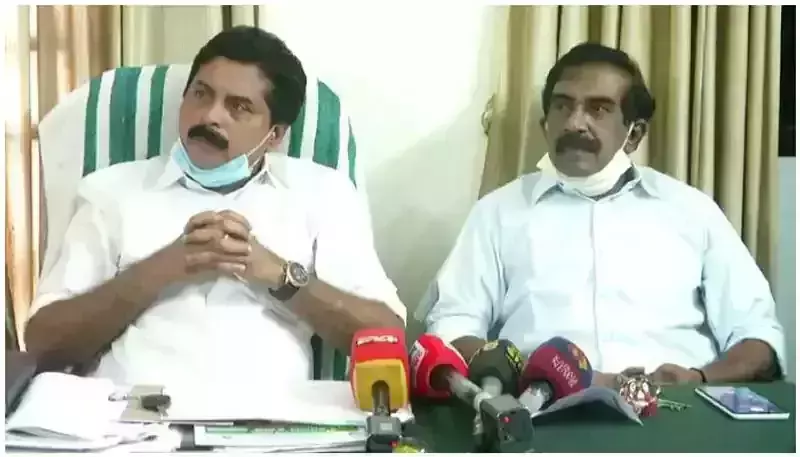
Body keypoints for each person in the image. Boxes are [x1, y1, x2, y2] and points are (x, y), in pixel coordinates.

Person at [26, 26, 405, 388]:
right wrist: (164, 267)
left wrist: (280, 276)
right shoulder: (110, 191)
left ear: (274, 135)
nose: (209, 116)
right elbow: (44, 344)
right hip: (128, 414)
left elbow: (388, 335)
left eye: (239, 107)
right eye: (201, 94)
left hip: (273, 416)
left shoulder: (322, 193)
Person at [418, 42, 785, 388]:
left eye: (598, 109)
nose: (575, 123)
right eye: (562, 107)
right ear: (545, 124)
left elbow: (757, 334)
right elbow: (451, 326)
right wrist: (543, 375)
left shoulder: (692, 211)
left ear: (634, 134)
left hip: (681, 407)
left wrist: (700, 379)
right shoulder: (497, 212)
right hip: (543, 405)